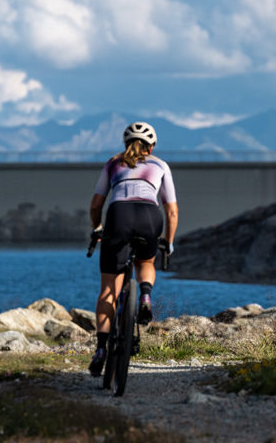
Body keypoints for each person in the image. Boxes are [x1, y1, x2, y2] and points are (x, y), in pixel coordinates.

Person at [87, 121, 178, 376]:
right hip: (150, 215)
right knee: (146, 263)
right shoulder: (160, 165)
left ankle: (101, 349)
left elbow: (95, 205)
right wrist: (168, 242)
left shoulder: (113, 163)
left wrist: (97, 228)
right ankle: (145, 296)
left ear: (126, 143)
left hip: (119, 215)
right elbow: (171, 211)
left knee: (108, 290)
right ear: (151, 147)